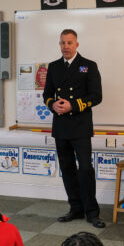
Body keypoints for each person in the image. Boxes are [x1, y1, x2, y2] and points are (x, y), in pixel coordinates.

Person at [43, 29, 104, 228]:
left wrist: (74, 105)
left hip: (80, 127)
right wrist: (52, 104)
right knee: (67, 169)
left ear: (76, 44)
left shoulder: (88, 66)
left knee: (85, 169)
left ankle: (92, 212)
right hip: (61, 127)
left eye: (69, 43)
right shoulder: (53, 67)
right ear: (59, 44)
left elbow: (96, 96)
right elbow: (47, 94)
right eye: (62, 43)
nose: (66, 47)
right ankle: (75, 208)